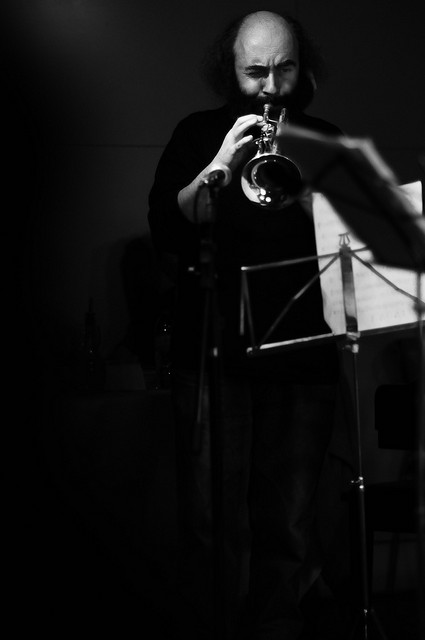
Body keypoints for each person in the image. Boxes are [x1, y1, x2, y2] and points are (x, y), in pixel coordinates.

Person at [148, 10, 343, 640]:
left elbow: (356, 243)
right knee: (213, 519)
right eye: (256, 71)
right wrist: (222, 162)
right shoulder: (198, 133)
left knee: (290, 520)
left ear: (302, 68)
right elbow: (166, 228)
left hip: (303, 353)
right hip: (215, 352)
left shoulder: (323, 138)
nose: (271, 86)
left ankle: (278, 626)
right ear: (229, 70)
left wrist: (319, 195)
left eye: (284, 69)